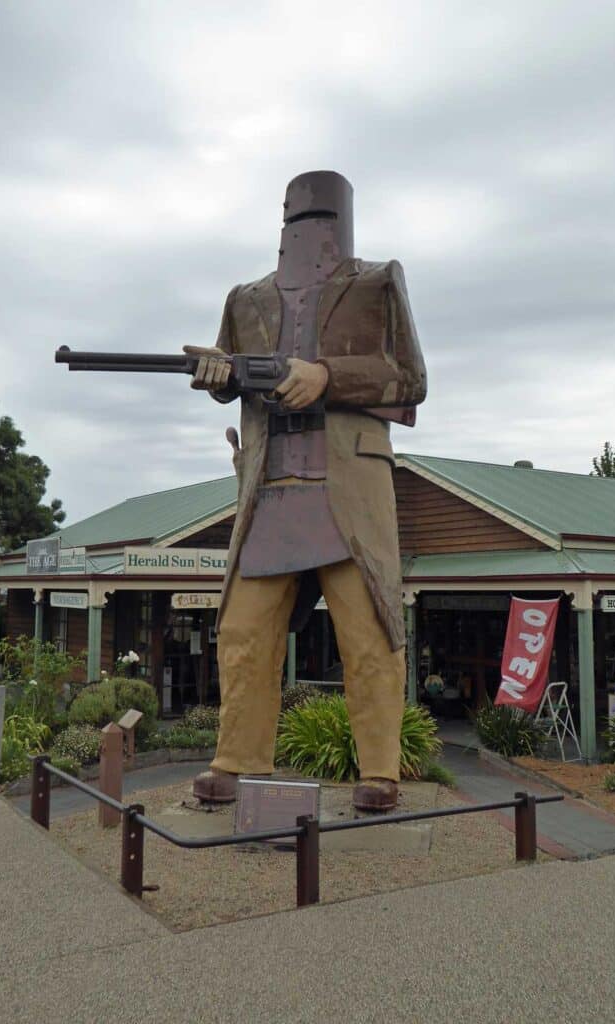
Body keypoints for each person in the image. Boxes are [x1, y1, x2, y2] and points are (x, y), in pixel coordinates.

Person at [186, 170, 427, 811]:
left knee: (370, 633)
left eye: (313, 221)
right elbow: (228, 367)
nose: (306, 233)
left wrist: (325, 375)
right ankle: (236, 761)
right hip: (269, 492)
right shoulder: (245, 298)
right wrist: (218, 378)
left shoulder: (376, 280)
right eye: (297, 222)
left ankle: (379, 772)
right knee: (241, 632)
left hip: (347, 488)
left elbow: (408, 376)